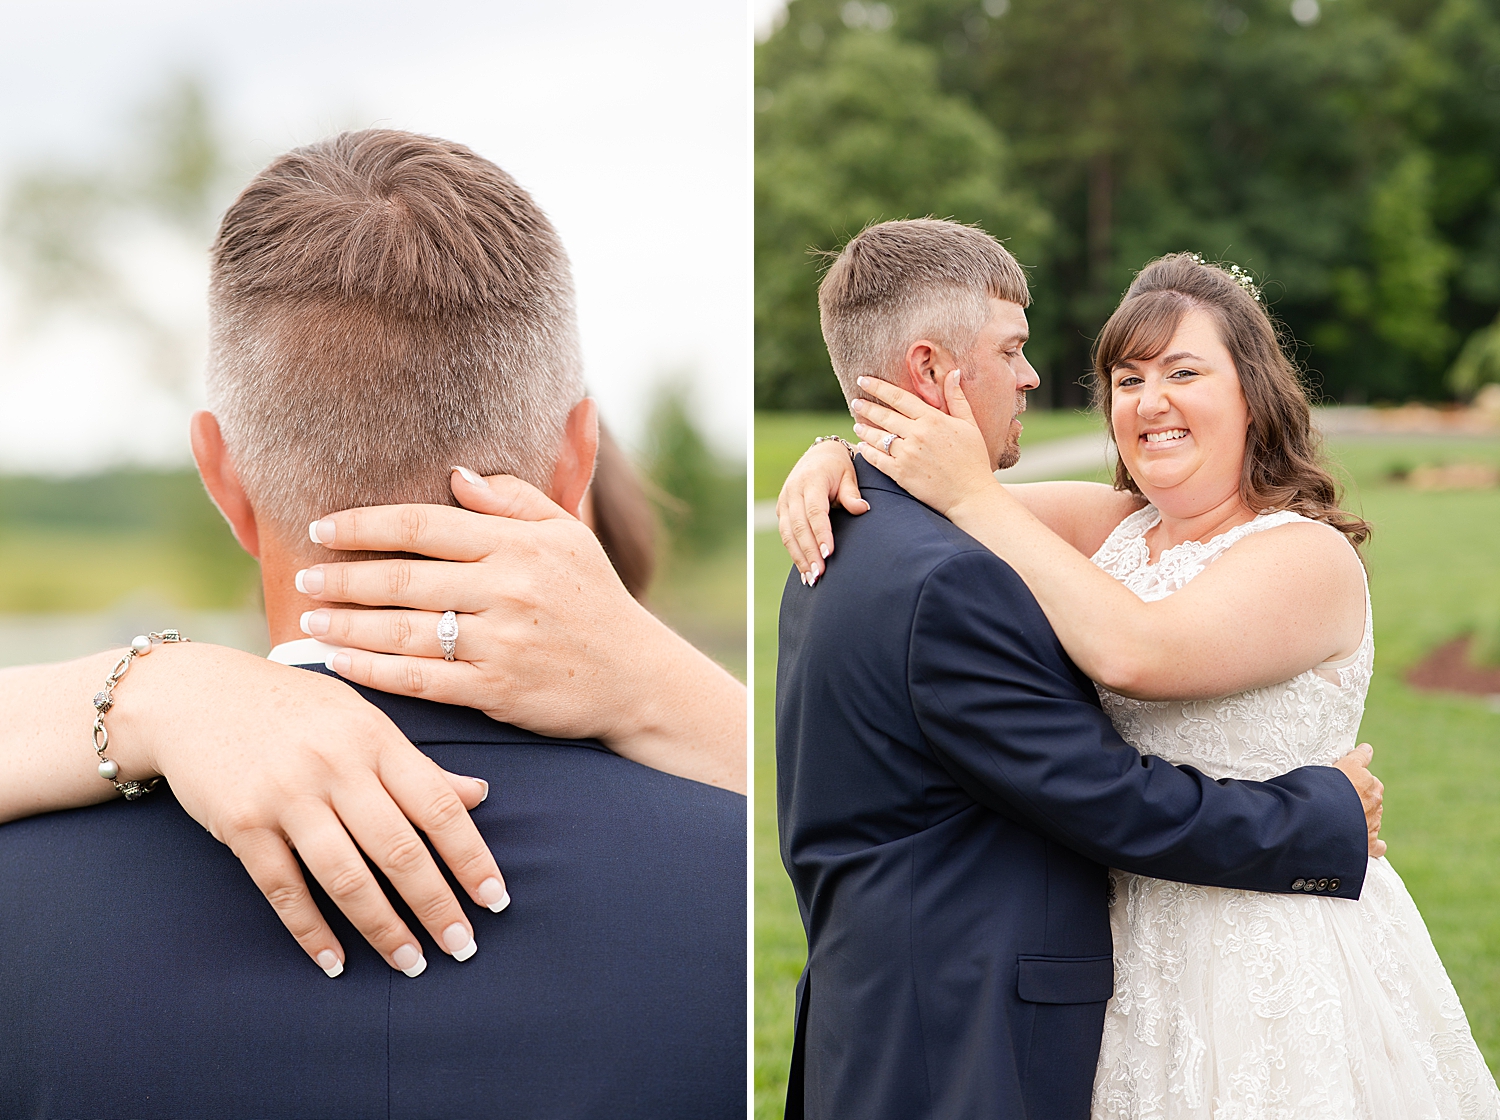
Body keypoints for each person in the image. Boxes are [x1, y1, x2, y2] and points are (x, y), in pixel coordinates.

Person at [0, 129, 744, 1118]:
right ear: (578, 462)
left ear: (222, 477)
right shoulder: (744, 875)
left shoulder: (25, 904)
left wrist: (141, 683)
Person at [779, 231, 1500, 1117]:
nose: (1150, 400)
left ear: (1253, 393)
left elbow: (1139, 650)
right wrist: (830, 454)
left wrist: (970, 495)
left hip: (1270, 950)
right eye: (1128, 379)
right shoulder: (1105, 525)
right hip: (1128, 960)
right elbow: (912, 496)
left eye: (1184, 373)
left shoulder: (1306, 559)